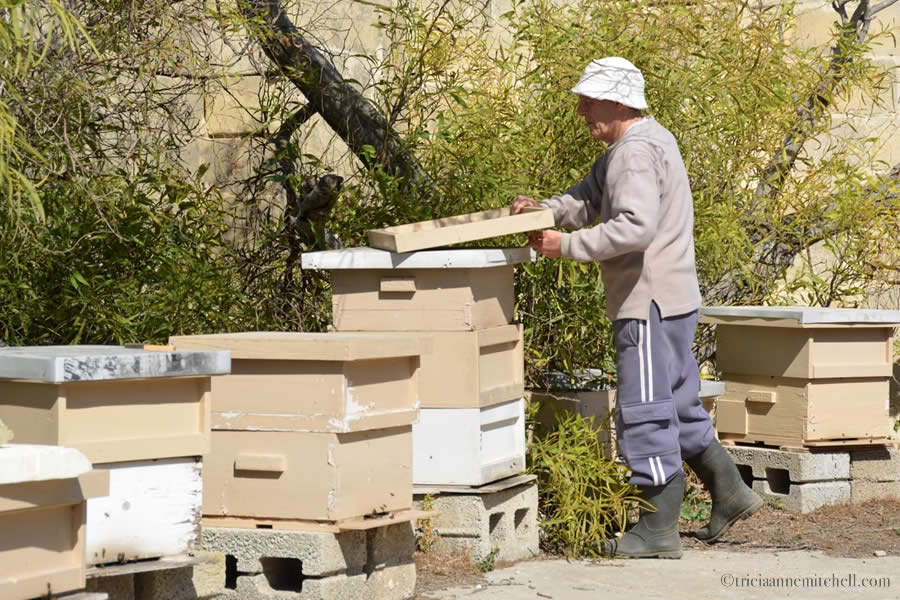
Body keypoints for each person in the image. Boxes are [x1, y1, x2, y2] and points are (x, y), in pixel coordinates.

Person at [511, 57, 762, 559]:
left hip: (646, 301)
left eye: (589, 99)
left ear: (620, 101)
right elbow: (588, 197)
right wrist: (545, 209)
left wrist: (567, 246)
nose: (581, 110)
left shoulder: (633, 154)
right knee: (676, 401)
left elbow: (634, 227)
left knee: (645, 410)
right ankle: (730, 492)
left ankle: (657, 529)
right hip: (672, 298)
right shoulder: (640, 143)